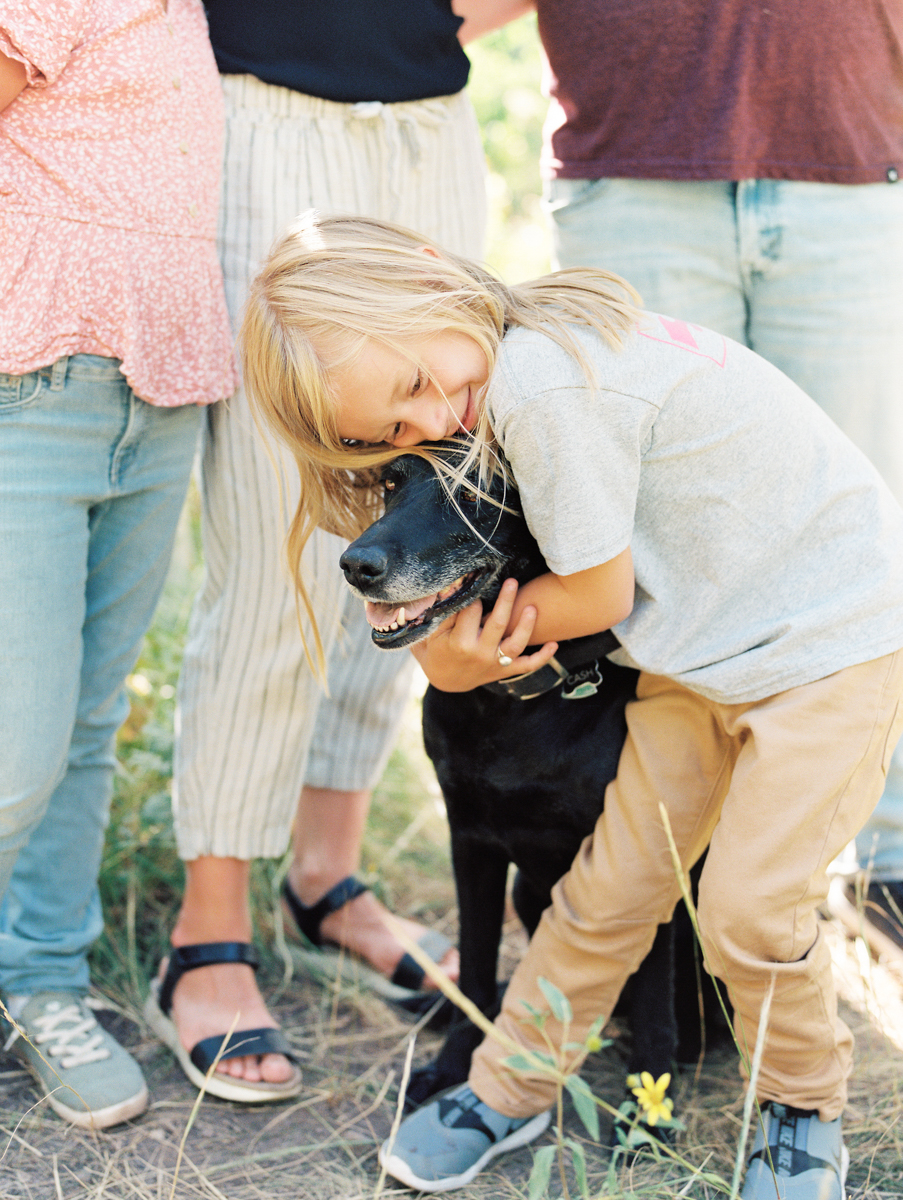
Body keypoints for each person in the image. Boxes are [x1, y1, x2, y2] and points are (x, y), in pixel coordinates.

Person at [239, 212, 903, 1197]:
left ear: (436, 275)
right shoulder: (515, 357)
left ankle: (802, 1109)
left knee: (749, 906)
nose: (435, 423)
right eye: (397, 430)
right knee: (608, 889)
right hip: (705, 656)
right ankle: (508, 1086)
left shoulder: (536, 383)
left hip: (828, 646)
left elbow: (598, 599)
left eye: (421, 386)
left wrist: (456, 659)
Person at [457, 0, 903, 962]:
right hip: (634, 170)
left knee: (862, 527)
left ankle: (883, 852)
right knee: (643, 528)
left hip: (855, 156)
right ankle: (672, 862)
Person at [149, 1, 487, 1102]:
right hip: (263, 116)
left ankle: (326, 874)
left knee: (418, 517)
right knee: (273, 546)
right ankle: (209, 935)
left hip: (430, 124)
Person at [0, 1, 234, 1128]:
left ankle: (43, 980)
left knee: (88, 722)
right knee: (15, 749)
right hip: (32, 387)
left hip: (163, 394)